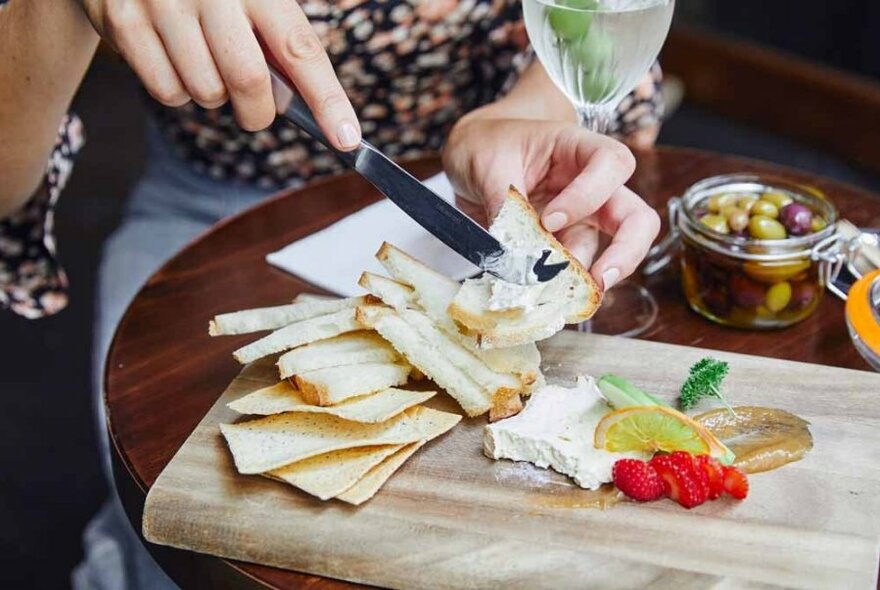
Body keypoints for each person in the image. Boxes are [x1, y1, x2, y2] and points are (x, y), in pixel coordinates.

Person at [1, 0, 663, 587]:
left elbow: (600, 18)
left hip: (467, 186)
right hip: (207, 206)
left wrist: (525, 109)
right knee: (174, 517)